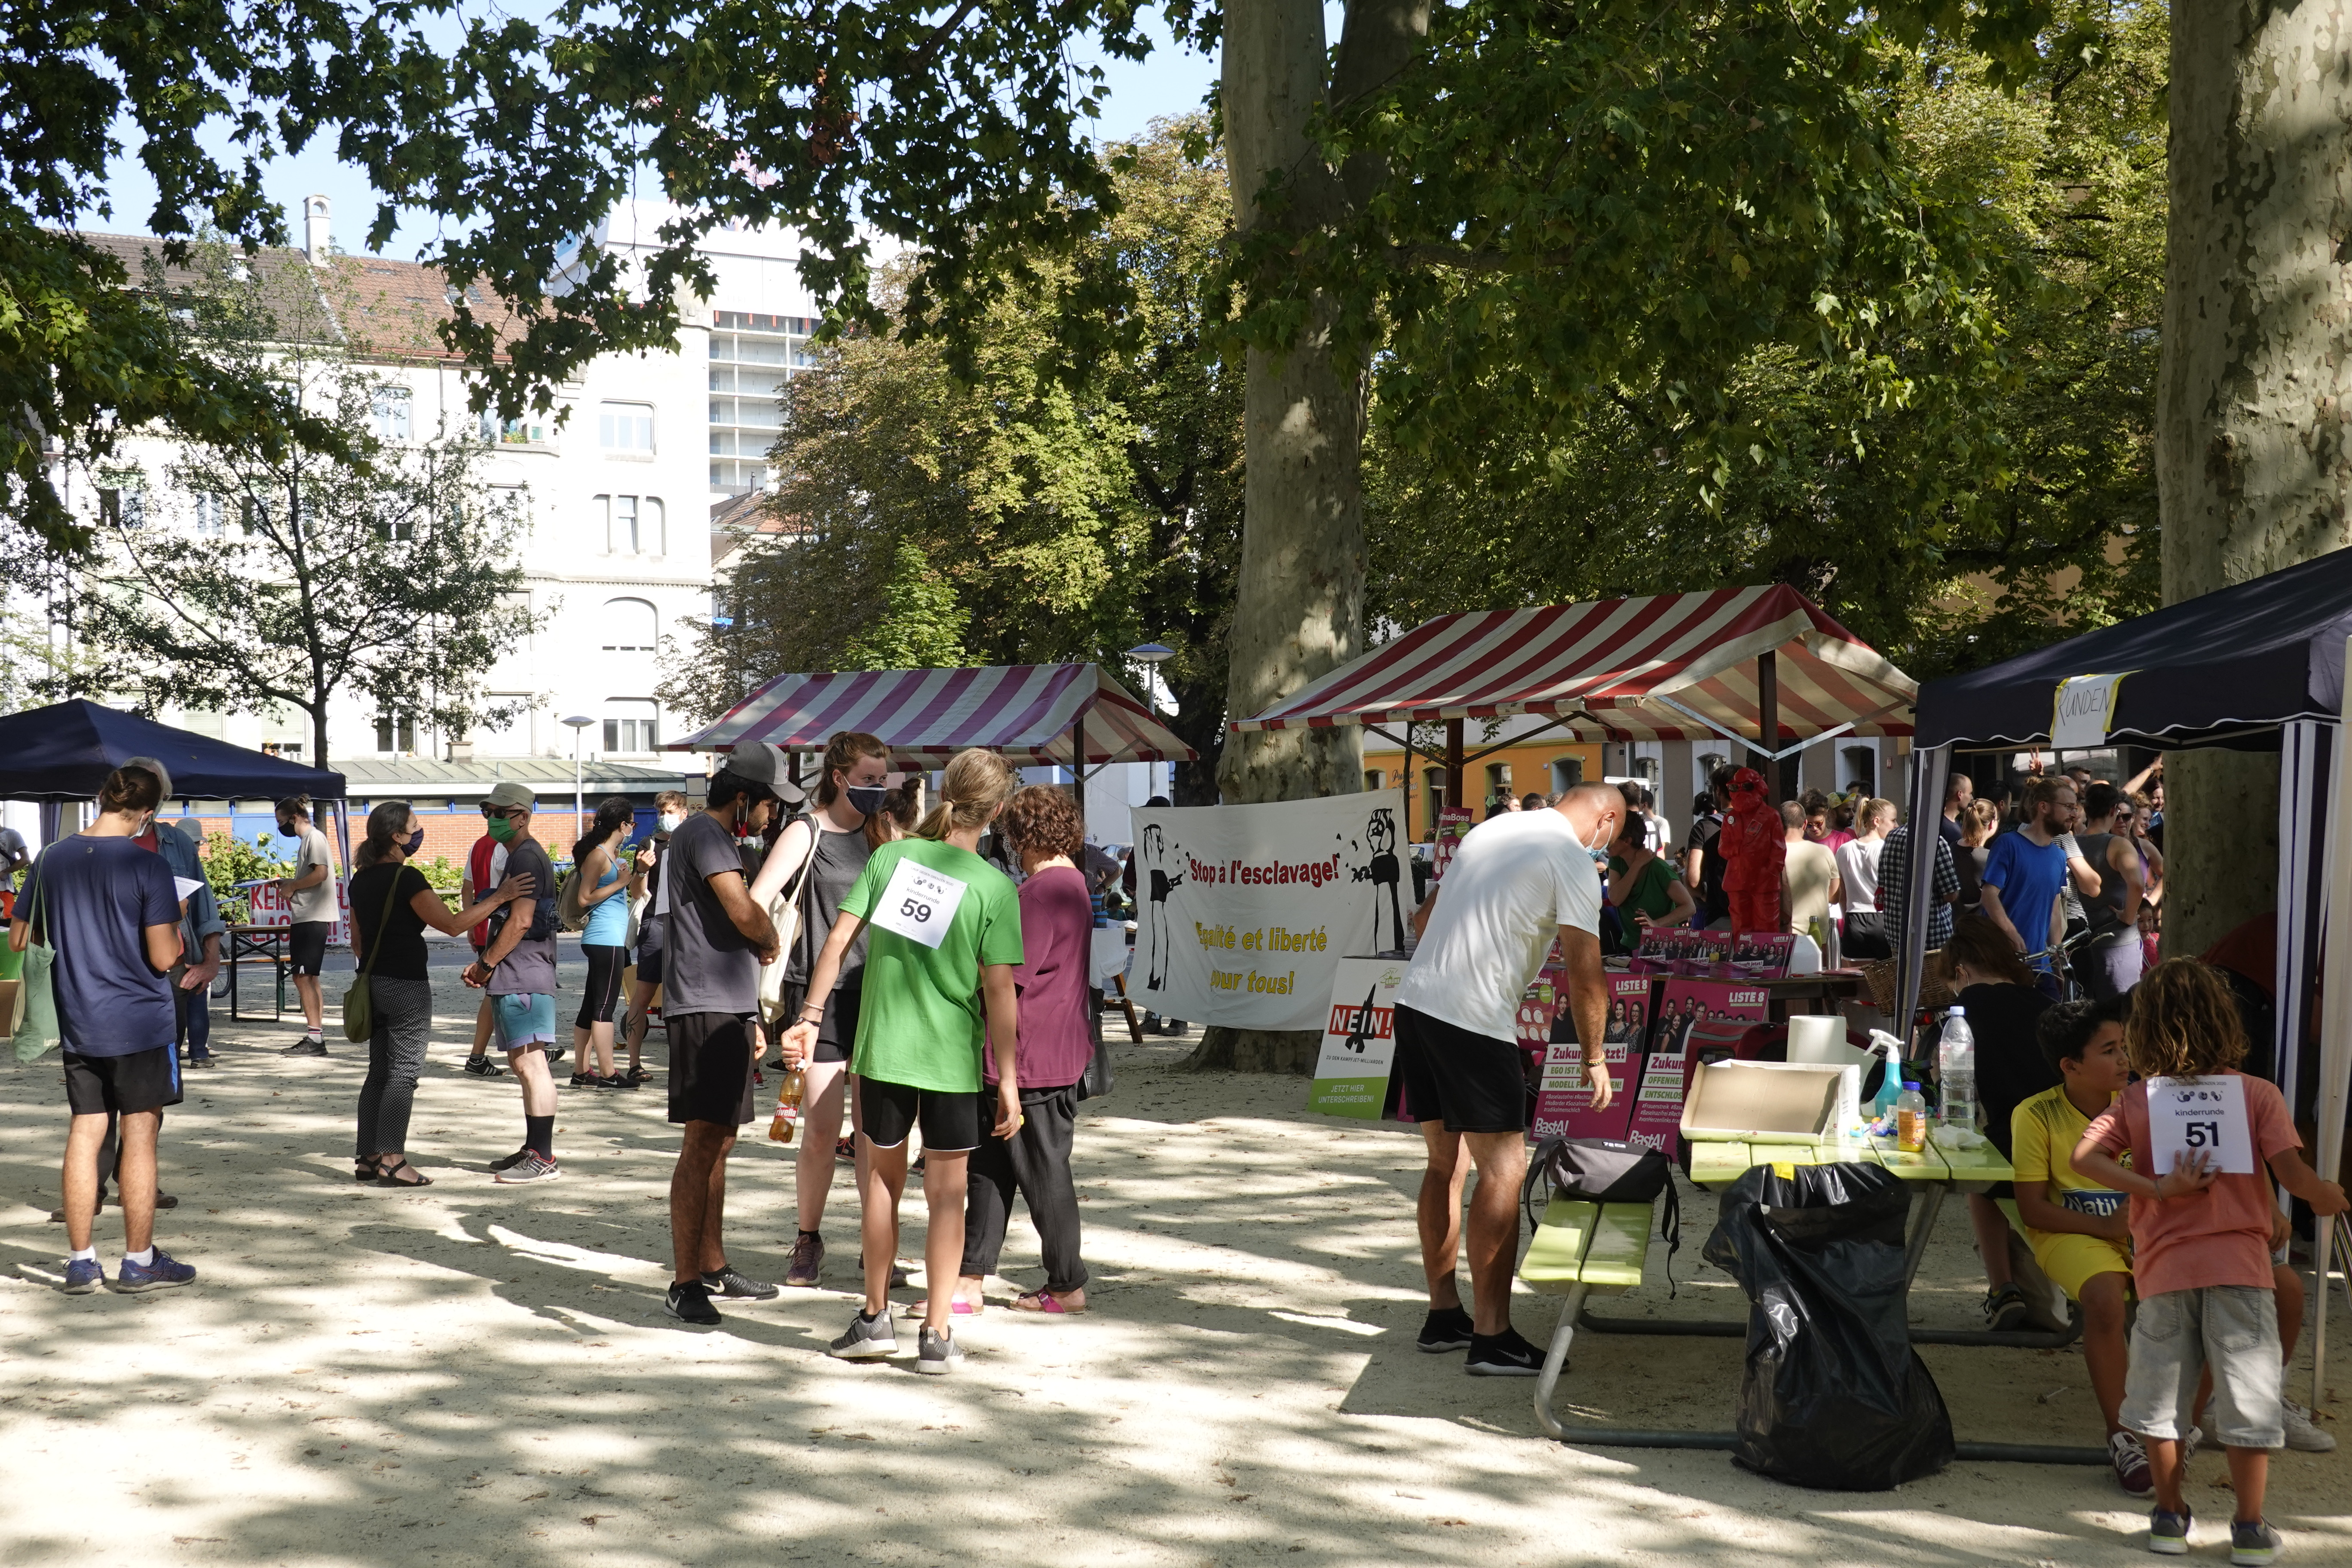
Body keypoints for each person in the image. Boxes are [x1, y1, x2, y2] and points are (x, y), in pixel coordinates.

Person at [2073, 959, 2349, 1562]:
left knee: (2161, 1404)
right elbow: (2294, 1174)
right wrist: (2324, 1196)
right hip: (2242, 1271)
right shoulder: (2257, 1095)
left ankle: (2169, 1516)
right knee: (2250, 1400)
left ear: (2144, 1031)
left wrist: (2157, 1191)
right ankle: (2250, 1526)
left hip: (2165, 1271)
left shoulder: (2138, 1100)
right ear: (2227, 1021)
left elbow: (2084, 1158)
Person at [790, 747, 1025, 1373]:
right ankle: (938, 1332)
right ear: (998, 810)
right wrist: (1011, 1081)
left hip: (884, 1048)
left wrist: (810, 1018)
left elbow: (838, 942)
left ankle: (873, 1319)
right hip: (952, 1057)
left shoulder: (891, 858)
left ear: (945, 791)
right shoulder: (997, 887)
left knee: (880, 1185)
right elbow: (1000, 991)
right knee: (949, 1195)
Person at [1396, 781, 1623, 1375]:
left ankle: (1444, 1314)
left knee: (1446, 1165)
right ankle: (1493, 1337)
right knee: (1504, 1168)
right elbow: (1586, 969)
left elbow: (1423, 920)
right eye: (1612, 838)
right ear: (1605, 818)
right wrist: (1595, 1057)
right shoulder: (1571, 858)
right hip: (1472, 1020)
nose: (1606, 849)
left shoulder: (1493, 829)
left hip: (1418, 1002)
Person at [12, 766, 196, 1293]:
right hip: (140, 1018)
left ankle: (80, 1260)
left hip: (78, 1016)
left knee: (85, 1131)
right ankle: (138, 1261)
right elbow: (164, 958)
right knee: (140, 1134)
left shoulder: (50, 858)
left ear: (100, 798)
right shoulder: (149, 864)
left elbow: (22, 937)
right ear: (148, 813)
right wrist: (176, 920)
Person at [942, 784, 1095, 1315]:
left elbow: (1006, 976)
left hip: (1030, 1057)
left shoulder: (1039, 894)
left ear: (1020, 835)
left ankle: (1067, 1283)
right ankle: (969, 1278)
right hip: (1044, 1051)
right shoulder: (1072, 883)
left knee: (1042, 1170)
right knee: (992, 1167)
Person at [660, 744, 788, 1326]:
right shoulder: (708, 837)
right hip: (705, 1007)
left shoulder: (712, 837)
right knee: (703, 1143)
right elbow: (742, 912)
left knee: (721, 1140)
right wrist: (770, 937)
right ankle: (686, 1280)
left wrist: (752, 1017)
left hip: (727, 1007)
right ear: (743, 799)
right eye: (767, 807)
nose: (771, 819)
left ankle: (711, 1263)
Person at [763, 731, 893, 1290]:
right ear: (839, 777)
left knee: (876, 1133)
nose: (876, 789)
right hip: (816, 1000)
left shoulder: (885, 833)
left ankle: (877, 1243)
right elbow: (759, 899)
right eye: (868, 779)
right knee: (819, 1128)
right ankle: (808, 1239)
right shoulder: (806, 830)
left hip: (881, 995)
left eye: (882, 780)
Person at [349, 802, 535, 1185]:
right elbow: (452, 925)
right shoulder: (407, 878)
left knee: (378, 1074)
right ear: (398, 836)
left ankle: (368, 1157)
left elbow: (356, 940)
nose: (419, 833)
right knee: (403, 1074)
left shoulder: (360, 879)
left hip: (373, 982)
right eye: (414, 827)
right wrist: (499, 898)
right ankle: (393, 1160)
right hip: (406, 984)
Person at [2012, 997, 2145, 1491]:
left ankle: (2184, 1427)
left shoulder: (2142, 1105)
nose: (2125, 1060)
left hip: (2142, 1234)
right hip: (2068, 1232)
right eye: (2110, 1051)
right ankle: (2124, 1438)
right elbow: (2032, 1210)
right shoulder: (2036, 1114)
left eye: (2126, 1047)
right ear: (2071, 1066)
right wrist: (2109, 1229)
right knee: (2106, 1300)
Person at [1938, 918, 2058, 1331]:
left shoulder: (1964, 1011)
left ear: (1961, 972)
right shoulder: (2043, 1004)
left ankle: (2001, 1286)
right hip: (2068, 1145)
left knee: (1977, 1174)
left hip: (2011, 1150)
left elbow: (1951, 1092)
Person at [462, 781, 564, 1183]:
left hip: (524, 972)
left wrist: (485, 964)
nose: (493, 820)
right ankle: (533, 1148)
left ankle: (543, 1157)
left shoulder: (526, 856)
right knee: (523, 1063)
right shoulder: (521, 854)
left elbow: (522, 920)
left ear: (523, 815)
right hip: (519, 971)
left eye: (501, 813)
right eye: (488, 812)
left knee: (531, 1063)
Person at [567, 796, 638, 1090]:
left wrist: (634, 874)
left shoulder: (612, 856)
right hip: (604, 938)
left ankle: (581, 1070)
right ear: (622, 825)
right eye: (631, 823)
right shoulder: (598, 856)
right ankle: (609, 1073)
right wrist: (620, 883)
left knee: (590, 1006)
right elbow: (584, 898)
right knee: (604, 1008)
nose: (633, 828)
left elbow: (630, 890)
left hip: (609, 938)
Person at [620, 790, 689, 1084]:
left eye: (670, 811)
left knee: (683, 997)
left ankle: (685, 1064)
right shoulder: (649, 845)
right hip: (656, 925)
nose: (664, 818)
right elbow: (637, 894)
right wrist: (642, 870)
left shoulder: (694, 841)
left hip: (688, 927)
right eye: (661, 812)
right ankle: (634, 1063)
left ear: (684, 814)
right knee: (642, 996)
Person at [1978, 776, 2076, 969]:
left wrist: (2058, 955)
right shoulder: (2008, 844)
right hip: (2002, 961)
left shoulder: (2059, 855)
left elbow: (2054, 911)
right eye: (2068, 807)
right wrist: (2011, 933)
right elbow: (1989, 895)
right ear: (2044, 807)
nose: (2074, 814)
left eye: (2075, 808)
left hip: (2041, 963)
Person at [2074, 782, 2148, 1001]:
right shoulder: (2119, 845)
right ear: (2114, 810)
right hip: (2116, 941)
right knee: (2122, 1011)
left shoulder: (2071, 844)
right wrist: (2127, 917)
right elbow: (2137, 884)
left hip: (2080, 942)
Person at [274, 795, 336, 1056]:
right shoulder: (310, 840)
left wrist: (293, 886)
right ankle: (316, 1034)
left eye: (281, 821)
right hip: (310, 915)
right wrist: (291, 882)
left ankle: (315, 1039)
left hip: (311, 917)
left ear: (294, 817)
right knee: (310, 977)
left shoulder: (314, 838)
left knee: (301, 977)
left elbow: (321, 873)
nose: (280, 827)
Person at [458, 804, 509, 1080]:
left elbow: (468, 886)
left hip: (481, 924)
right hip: (499, 927)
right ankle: (477, 1055)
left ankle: (532, 1043)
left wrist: (470, 921)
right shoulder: (506, 847)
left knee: (500, 991)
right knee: (497, 992)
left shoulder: (478, 845)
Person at [1878, 812, 1961, 956]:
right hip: (1932, 938)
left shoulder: (1892, 837)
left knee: (1902, 979)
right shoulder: (1936, 842)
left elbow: (1882, 884)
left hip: (1897, 935)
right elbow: (1951, 895)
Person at [1606, 811, 1694, 934]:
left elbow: (1690, 907)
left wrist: (1656, 924)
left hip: (1662, 944)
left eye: (1612, 836)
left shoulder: (1659, 868)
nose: (1606, 840)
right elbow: (1615, 900)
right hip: (1630, 943)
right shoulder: (1616, 861)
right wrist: (1637, 865)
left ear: (1627, 841)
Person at [1835, 798, 1894, 960]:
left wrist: (1846, 917)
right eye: (1893, 821)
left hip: (1853, 919)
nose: (1896, 826)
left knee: (1857, 981)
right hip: (1883, 920)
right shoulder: (1886, 849)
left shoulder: (1844, 850)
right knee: (1889, 983)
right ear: (1877, 821)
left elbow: (1843, 893)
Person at [1779, 801, 1841, 940]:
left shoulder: (1775, 855)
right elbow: (1835, 897)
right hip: (1821, 934)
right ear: (1805, 824)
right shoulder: (1825, 852)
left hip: (1786, 936)